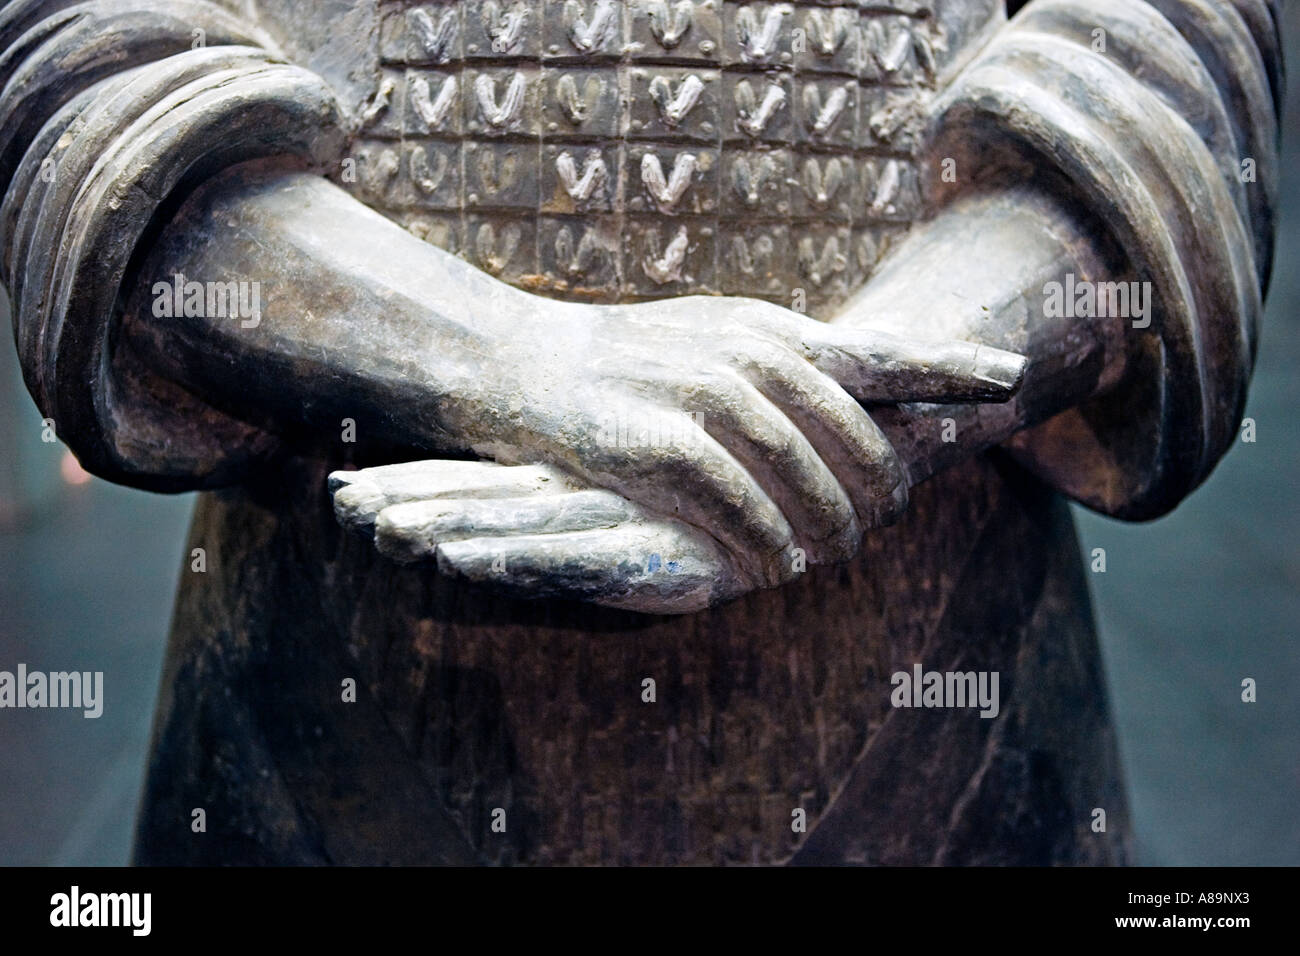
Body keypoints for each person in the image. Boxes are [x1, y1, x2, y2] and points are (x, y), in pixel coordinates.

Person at [0, 0, 1280, 864]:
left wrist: (866, 392)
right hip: (338, 662)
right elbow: (89, 63)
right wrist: (502, 357)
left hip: (944, 652)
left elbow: (1166, 51)